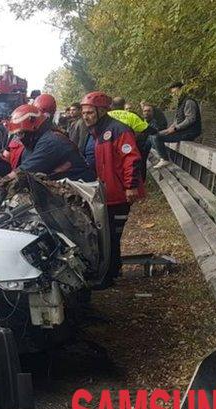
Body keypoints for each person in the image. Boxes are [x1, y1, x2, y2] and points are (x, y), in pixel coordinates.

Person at [80, 90, 144, 288]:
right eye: (84, 112)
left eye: (90, 112)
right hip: (104, 194)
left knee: (111, 237)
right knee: (106, 237)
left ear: (101, 112)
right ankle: (112, 270)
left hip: (118, 194)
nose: (85, 116)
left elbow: (131, 159)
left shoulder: (117, 130)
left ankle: (108, 275)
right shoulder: (94, 133)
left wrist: (130, 187)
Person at [2, 104, 92, 181]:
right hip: (66, 185)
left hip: (80, 189)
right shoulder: (36, 142)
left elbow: (25, 170)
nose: (19, 138)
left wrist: (3, 182)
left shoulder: (50, 142)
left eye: (21, 133)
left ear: (32, 129)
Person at [152, 81, 202, 168]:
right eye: (173, 93)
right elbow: (178, 119)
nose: (174, 95)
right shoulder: (181, 103)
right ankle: (161, 156)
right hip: (182, 130)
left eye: (176, 92)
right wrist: (171, 127)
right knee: (155, 134)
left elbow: (190, 119)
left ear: (182, 90)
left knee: (158, 137)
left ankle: (165, 159)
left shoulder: (189, 102)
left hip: (190, 131)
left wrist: (175, 128)